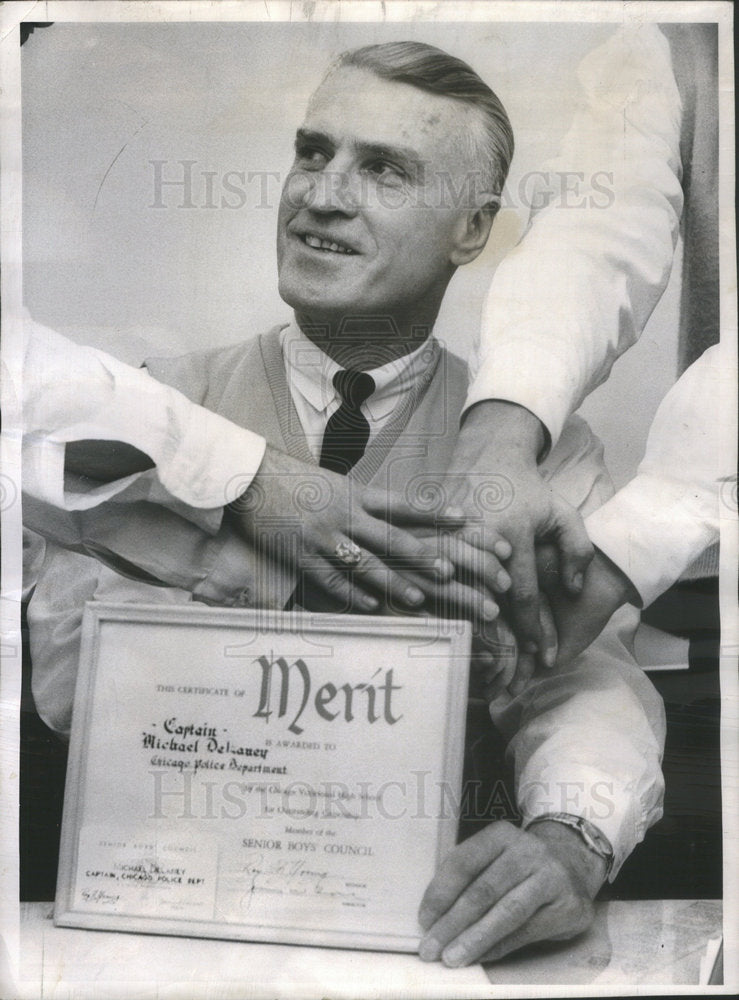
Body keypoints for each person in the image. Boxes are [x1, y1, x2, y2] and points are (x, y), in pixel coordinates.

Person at [27, 41, 665, 967]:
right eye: (313, 151)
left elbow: (581, 676)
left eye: (385, 170)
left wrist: (571, 839)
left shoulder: (539, 458)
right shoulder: (154, 403)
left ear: (472, 230)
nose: (320, 195)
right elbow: (64, 660)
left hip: (419, 944)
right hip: (163, 922)